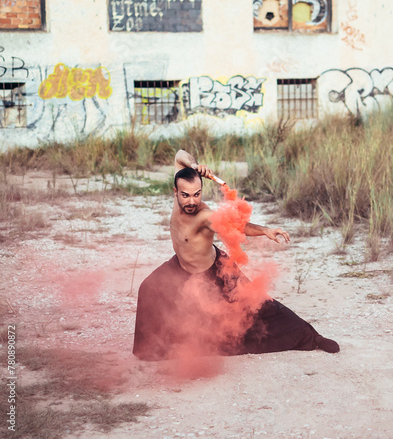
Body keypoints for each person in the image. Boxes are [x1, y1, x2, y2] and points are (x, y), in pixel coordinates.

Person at [133, 150, 339, 361]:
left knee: (259, 308)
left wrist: (266, 230)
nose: (192, 201)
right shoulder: (180, 197)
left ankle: (312, 338)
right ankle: (150, 350)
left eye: (197, 194)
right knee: (149, 288)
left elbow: (237, 226)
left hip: (215, 272)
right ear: (175, 191)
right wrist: (195, 167)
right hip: (179, 268)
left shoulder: (204, 216)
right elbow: (179, 156)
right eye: (186, 195)